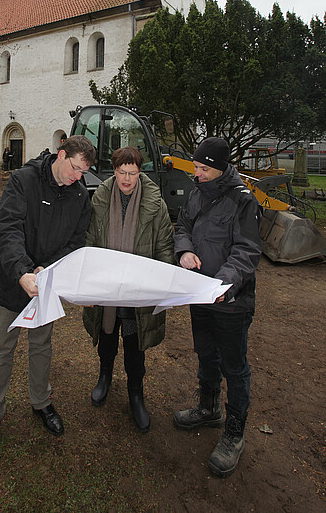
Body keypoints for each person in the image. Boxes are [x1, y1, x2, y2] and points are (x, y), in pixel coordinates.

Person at [0, 135, 96, 464]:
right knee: (2, 349)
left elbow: (76, 241)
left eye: (83, 173)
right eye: (74, 169)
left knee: (42, 345)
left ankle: (41, 402)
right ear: (61, 155)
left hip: (46, 285)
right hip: (12, 281)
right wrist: (22, 272)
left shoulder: (80, 196)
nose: (78, 177)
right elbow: (8, 228)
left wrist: (49, 269)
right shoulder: (23, 180)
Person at [173, 137, 261, 478]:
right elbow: (182, 227)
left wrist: (222, 283)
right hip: (199, 294)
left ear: (221, 168)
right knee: (205, 352)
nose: (196, 173)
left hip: (230, 301)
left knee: (235, 366)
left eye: (203, 168)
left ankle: (235, 433)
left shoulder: (243, 201)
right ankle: (208, 407)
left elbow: (247, 251)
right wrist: (183, 251)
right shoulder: (197, 194)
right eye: (195, 167)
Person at [83, 146, 174, 433]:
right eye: (121, 172)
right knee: (107, 335)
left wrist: (161, 282)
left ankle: (136, 392)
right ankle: (105, 377)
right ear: (114, 170)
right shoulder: (99, 198)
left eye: (132, 173)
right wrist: (89, 285)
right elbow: (89, 242)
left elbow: (164, 245)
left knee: (134, 343)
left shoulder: (154, 203)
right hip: (107, 288)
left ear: (140, 172)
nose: (126, 179)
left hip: (138, 289)